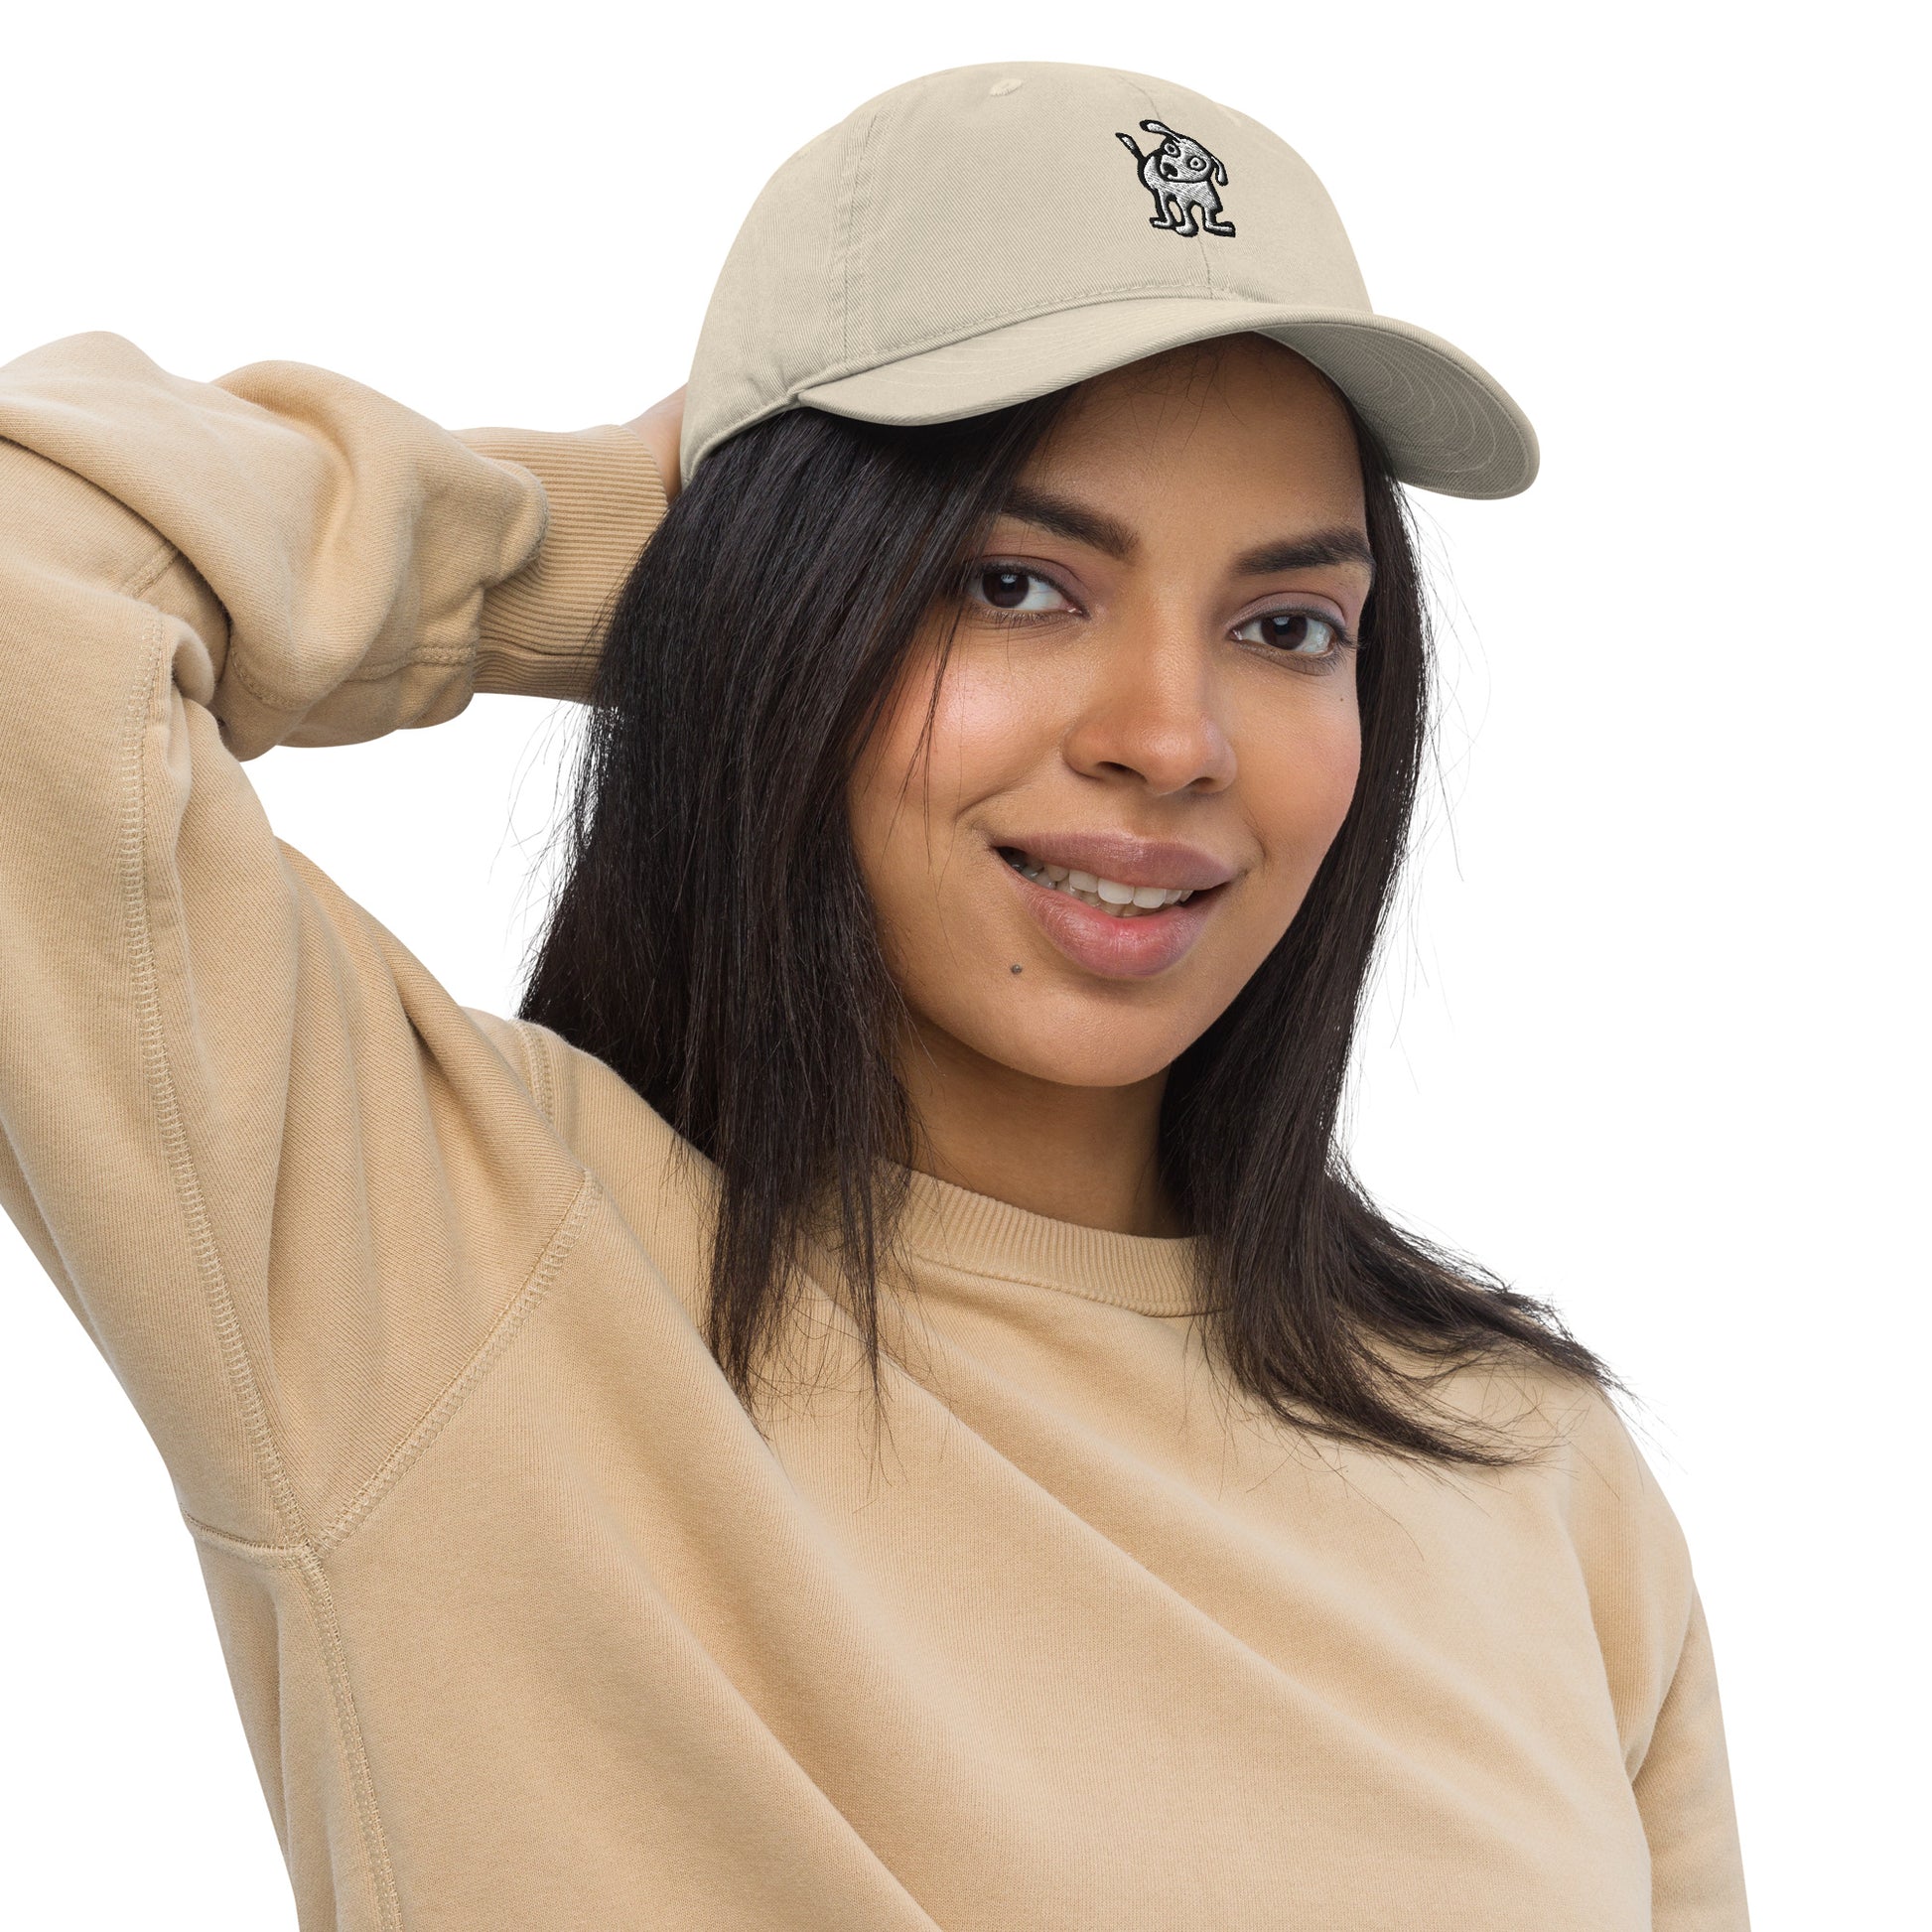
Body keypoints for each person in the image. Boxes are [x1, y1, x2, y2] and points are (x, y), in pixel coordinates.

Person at [0, 60, 1748, 1932]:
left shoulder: (1527, 1464)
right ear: (796, 595)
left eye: (1285, 626)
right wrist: (615, 553)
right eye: (1013, 583)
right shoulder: (436, 1270)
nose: (1171, 740)